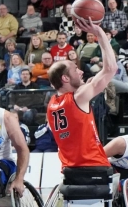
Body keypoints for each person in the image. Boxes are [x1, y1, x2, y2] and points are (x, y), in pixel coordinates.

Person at [46, 17, 117, 172]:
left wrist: (87, 85)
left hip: (69, 169)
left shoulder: (51, 105)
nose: (80, 71)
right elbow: (111, 68)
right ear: (65, 78)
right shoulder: (78, 97)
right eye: (74, 69)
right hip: (93, 166)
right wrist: (99, 33)